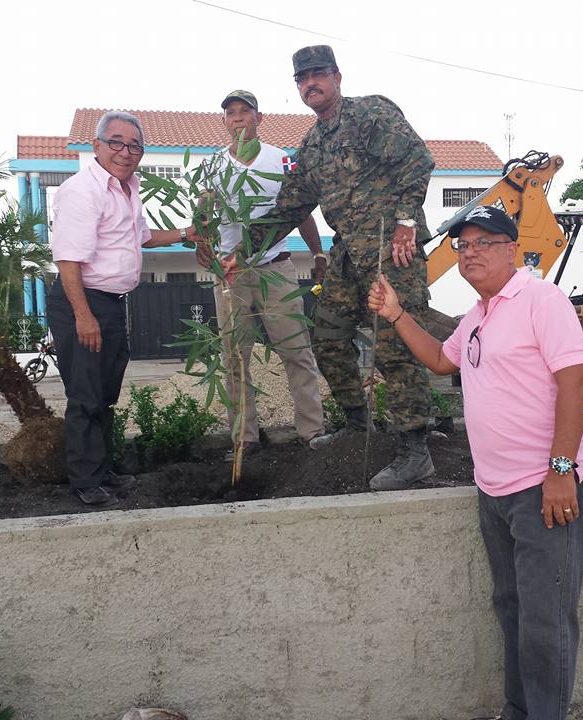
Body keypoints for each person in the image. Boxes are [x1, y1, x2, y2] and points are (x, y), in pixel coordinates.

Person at [368, 205, 583, 720]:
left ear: (511, 249)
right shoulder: (478, 316)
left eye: (482, 243)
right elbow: (441, 361)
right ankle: (520, 711)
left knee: (545, 620)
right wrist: (397, 314)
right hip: (493, 492)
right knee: (513, 612)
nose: (469, 253)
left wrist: (561, 471)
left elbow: (575, 382)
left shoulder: (541, 300)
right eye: (462, 245)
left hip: (543, 489)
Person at [232, 45, 436, 491]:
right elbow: (292, 204)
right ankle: (359, 422)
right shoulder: (312, 144)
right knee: (326, 335)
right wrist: (240, 248)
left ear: (337, 76)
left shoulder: (371, 114)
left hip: (389, 249)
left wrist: (405, 222)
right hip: (348, 254)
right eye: (302, 79)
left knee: (394, 347)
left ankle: (415, 449)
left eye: (318, 74)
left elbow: (416, 160)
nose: (311, 84)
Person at [49, 111, 193, 508]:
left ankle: (102, 471)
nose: (125, 152)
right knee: (84, 395)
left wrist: (185, 233)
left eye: (134, 145)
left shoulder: (128, 189)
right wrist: (83, 316)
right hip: (83, 301)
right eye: (116, 142)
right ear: (96, 146)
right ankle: (84, 481)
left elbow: (142, 237)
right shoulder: (84, 191)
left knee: (104, 393)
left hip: (110, 304)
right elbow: (68, 262)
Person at [196, 90, 326, 456]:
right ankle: (244, 438)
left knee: (297, 350)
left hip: (275, 268)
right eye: (231, 113)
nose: (237, 118)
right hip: (231, 274)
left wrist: (319, 253)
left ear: (259, 118)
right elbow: (204, 216)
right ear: (224, 121)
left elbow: (301, 210)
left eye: (244, 112)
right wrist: (201, 242)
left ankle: (312, 431)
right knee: (234, 356)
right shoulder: (213, 167)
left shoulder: (281, 160)